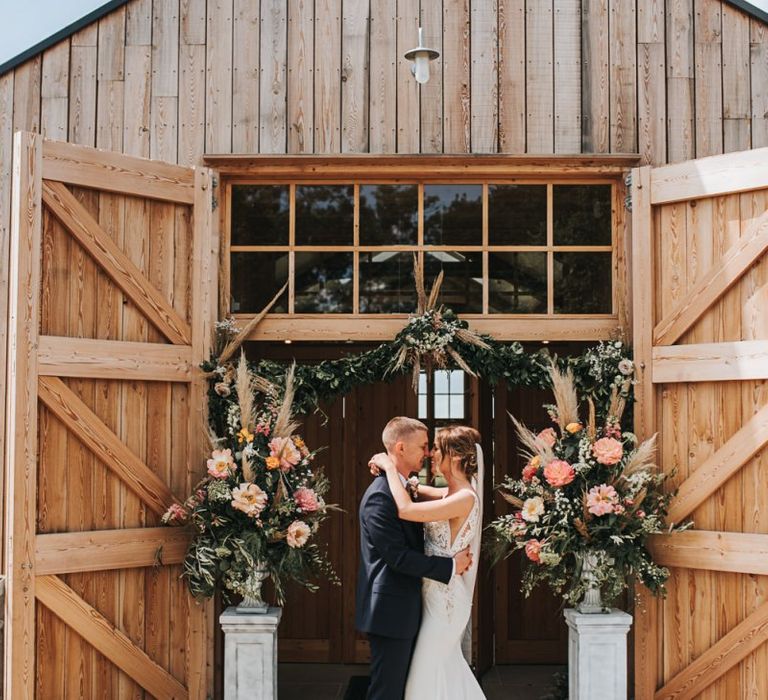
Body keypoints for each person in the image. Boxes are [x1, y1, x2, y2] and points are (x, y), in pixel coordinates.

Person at [355, 417, 474, 700]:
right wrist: (450, 566)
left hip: (411, 608)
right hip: (390, 611)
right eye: (423, 446)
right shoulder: (380, 497)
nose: (428, 453)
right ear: (400, 448)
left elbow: (413, 502)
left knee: (409, 688)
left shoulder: (403, 488)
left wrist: (394, 473)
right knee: (387, 692)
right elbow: (398, 557)